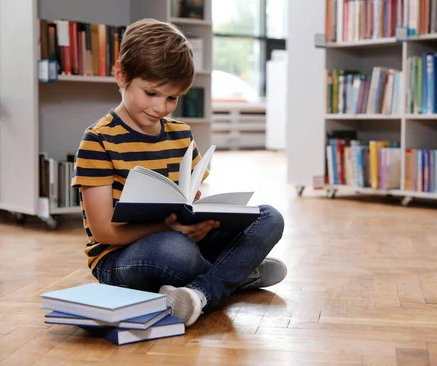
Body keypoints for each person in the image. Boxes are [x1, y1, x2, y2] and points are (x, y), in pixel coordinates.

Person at [71, 18, 286, 327]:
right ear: (121, 75)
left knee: (269, 217)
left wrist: (198, 218)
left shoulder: (181, 134)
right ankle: (236, 275)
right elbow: (104, 231)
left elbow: (188, 200)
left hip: (182, 238)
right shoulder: (98, 140)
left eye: (172, 98)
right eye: (151, 93)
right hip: (120, 257)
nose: (161, 107)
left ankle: (200, 293)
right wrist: (169, 230)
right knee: (176, 252)